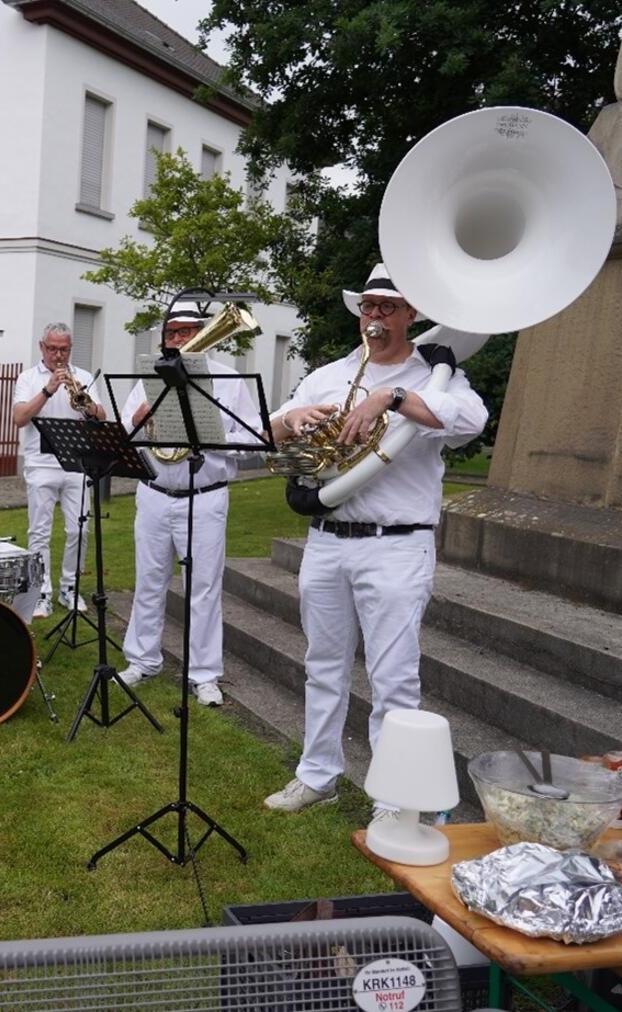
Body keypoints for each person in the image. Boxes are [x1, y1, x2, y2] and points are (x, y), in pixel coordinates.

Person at [262, 264, 488, 818]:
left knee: (393, 676)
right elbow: (269, 432)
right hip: (327, 540)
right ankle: (317, 775)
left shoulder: (435, 375)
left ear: (412, 315)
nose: (376, 317)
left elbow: (472, 421)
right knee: (323, 666)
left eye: (388, 307)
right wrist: (294, 421)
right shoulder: (328, 374)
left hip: (396, 544)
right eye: (368, 306)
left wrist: (388, 397)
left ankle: (392, 798)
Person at [118, 304, 258, 707]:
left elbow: (252, 439)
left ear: (205, 332)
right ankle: (142, 660)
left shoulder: (229, 381)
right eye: (173, 333)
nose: (179, 340)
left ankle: (204, 675)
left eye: (188, 331)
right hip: (156, 494)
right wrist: (140, 419)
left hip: (206, 495)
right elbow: (128, 433)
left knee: (204, 588)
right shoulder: (148, 378)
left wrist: (211, 432)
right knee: (148, 581)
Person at [12, 322, 106, 619]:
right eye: (52, 349)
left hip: (77, 464)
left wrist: (84, 401)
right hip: (41, 464)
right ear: (42, 347)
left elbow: (101, 417)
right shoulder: (28, 378)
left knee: (80, 528)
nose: (58, 355)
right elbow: (19, 418)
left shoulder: (84, 377)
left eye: (63, 349)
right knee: (39, 532)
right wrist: (48, 389)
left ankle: (70, 587)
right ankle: (42, 592)